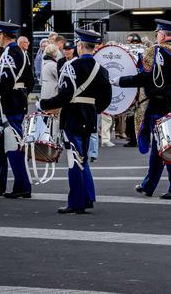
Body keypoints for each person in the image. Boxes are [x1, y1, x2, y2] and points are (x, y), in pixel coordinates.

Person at [116, 19, 171, 200]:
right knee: (160, 148)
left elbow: (145, 78)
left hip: (158, 105)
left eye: (158, 33)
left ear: (163, 35)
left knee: (167, 148)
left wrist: (120, 81)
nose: (157, 36)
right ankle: (149, 185)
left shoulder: (157, 51)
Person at [39, 29, 111, 214]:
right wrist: (93, 109)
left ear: (79, 45)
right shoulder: (101, 69)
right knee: (83, 158)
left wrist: (44, 104)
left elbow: (64, 96)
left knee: (74, 160)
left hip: (73, 116)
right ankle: (87, 197)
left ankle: (76, 202)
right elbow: (106, 99)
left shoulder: (71, 66)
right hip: (89, 116)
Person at [0, 21, 34, 199]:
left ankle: (23, 186)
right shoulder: (20, 52)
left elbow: (6, 84)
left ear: (3, 35)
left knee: (13, 145)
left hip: (11, 104)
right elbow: (30, 81)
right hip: (15, 101)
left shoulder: (11, 52)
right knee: (0, 146)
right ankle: (0, 183)